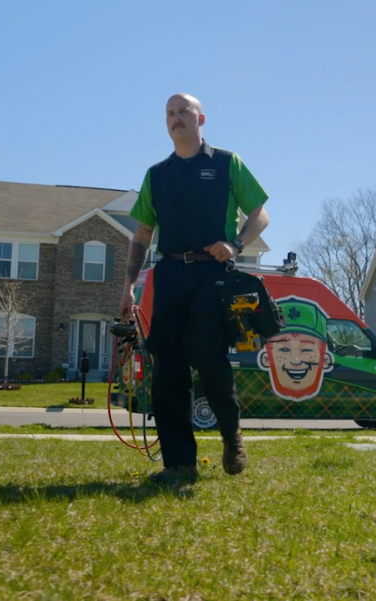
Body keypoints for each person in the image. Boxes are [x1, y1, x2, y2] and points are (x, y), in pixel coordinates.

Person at [120, 93, 269, 483]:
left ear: (200, 118)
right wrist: (128, 287)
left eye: (183, 111)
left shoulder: (225, 163)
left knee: (207, 356)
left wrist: (235, 244)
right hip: (169, 274)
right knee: (167, 367)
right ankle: (179, 463)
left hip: (213, 274)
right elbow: (142, 232)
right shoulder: (156, 175)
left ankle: (231, 434)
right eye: (169, 113)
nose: (175, 118)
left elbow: (260, 215)